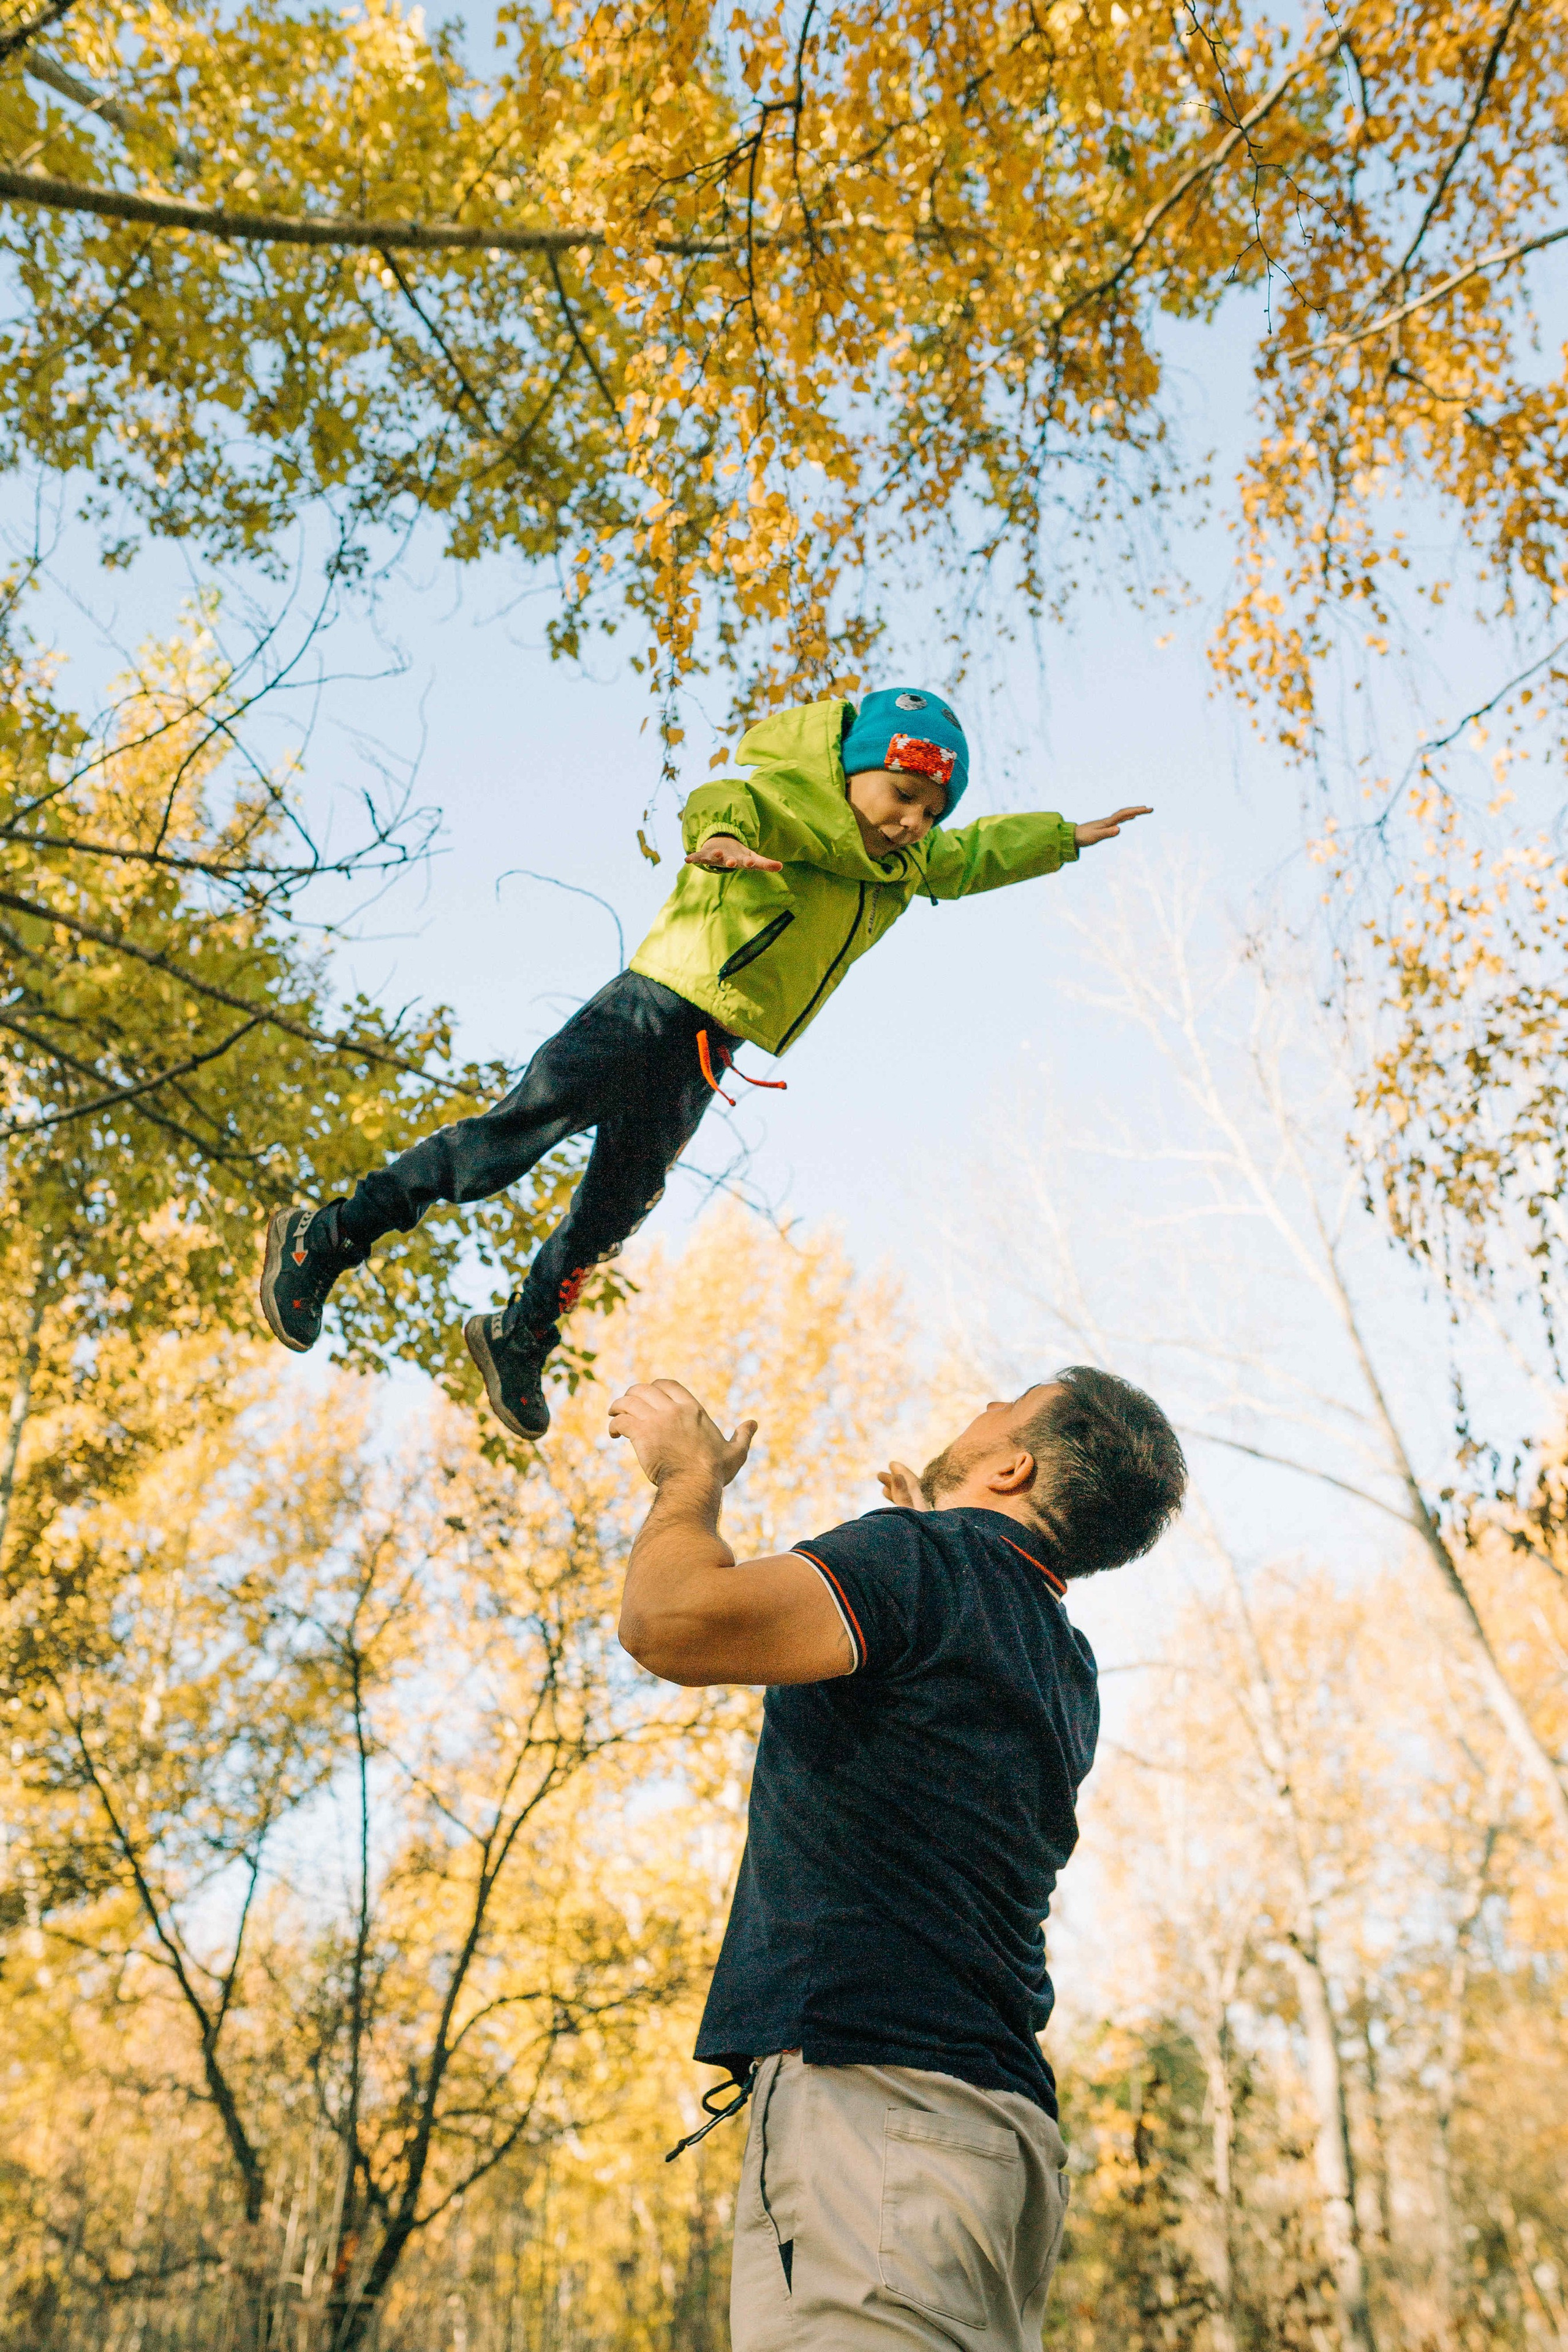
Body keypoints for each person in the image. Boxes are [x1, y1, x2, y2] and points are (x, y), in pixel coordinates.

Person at [259, 688, 1151, 1437]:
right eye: (900, 795)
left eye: (927, 812)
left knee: (615, 1210)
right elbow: (725, 800)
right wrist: (719, 841)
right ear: (854, 771)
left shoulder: (910, 862)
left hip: (709, 1047)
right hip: (654, 1002)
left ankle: (520, 1335)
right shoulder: (786, 801)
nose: (910, 822)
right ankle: (326, 1239)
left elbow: (978, 854)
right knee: (505, 1144)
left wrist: (1066, 837)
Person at [608, 1365, 1186, 2352]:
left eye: (1007, 1402)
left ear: (1015, 1464)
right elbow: (939, 1726)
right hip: (995, 2142)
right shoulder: (1064, 1663)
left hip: (877, 2115)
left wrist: (686, 1479)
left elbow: (667, 1621)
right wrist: (930, 1541)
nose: (982, 1406)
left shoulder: (922, 1567)